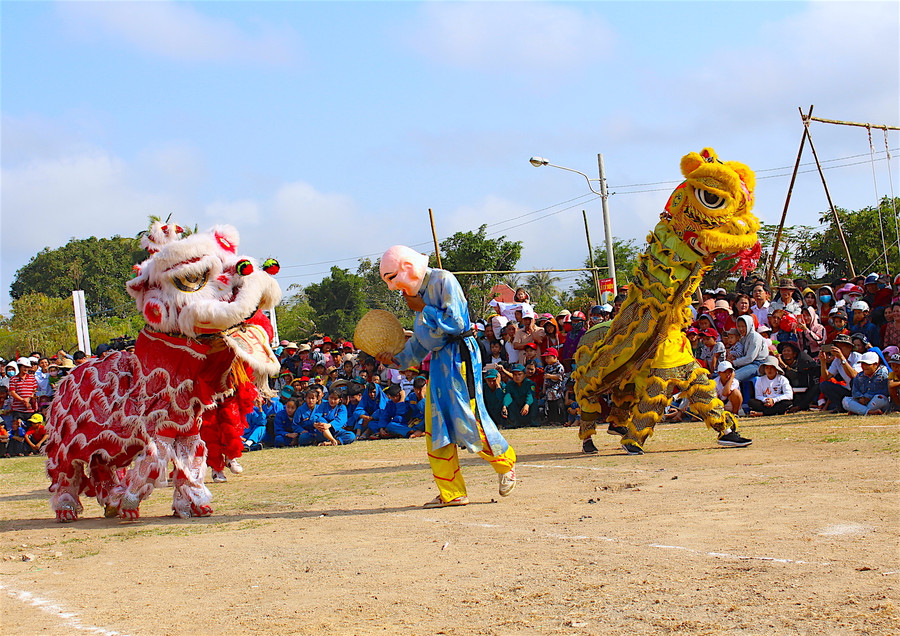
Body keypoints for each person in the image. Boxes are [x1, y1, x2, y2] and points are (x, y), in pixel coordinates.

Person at [378, 245, 516, 508]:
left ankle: (505, 462)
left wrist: (425, 308)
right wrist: (395, 359)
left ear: (407, 268)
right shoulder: (417, 296)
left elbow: (457, 323)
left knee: (468, 417)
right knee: (436, 425)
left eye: (392, 278)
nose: (392, 287)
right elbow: (420, 344)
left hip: (460, 358)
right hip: (439, 362)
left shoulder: (443, 280)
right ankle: (452, 492)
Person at [818, 334, 861, 412]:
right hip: (848, 390)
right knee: (824, 385)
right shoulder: (837, 360)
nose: (839, 349)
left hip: (860, 390)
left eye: (842, 347)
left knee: (854, 381)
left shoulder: (858, 357)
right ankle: (841, 406)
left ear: (850, 347)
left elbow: (854, 376)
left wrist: (842, 358)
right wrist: (823, 362)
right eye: (838, 347)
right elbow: (826, 377)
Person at [776, 341, 818, 412]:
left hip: (800, 391)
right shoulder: (778, 364)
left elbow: (794, 375)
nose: (786, 353)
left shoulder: (800, 364)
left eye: (788, 351)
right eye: (784, 351)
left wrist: (784, 365)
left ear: (794, 354)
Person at [731, 315, 768, 381]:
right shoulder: (743, 337)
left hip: (757, 364)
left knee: (732, 377)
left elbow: (750, 358)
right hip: (745, 363)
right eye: (739, 326)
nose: (741, 329)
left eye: (743, 326)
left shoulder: (755, 337)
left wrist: (734, 362)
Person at [502, 364, 535, 428]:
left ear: (524, 375)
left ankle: (533, 422)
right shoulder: (510, 384)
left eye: (519, 374)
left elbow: (530, 395)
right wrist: (504, 406)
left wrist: (527, 404)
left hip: (526, 407)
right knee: (510, 402)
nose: (517, 377)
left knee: (534, 401)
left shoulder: (530, 383)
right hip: (517, 407)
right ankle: (514, 422)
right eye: (515, 375)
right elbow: (508, 395)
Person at [540, 348, 566, 426]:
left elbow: (560, 376)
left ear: (554, 357)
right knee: (550, 407)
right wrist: (544, 388)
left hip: (557, 390)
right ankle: (552, 420)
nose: (546, 359)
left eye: (548, 357)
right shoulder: (547, 367)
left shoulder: (559, 366)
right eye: (545, 358)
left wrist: (550, 376)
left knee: (559, 406)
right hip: (549, 391)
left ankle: (560, 421)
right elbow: (545, 378)